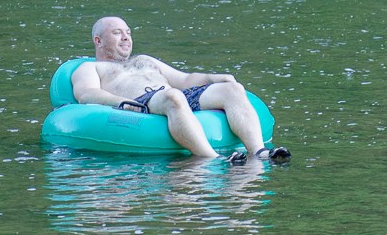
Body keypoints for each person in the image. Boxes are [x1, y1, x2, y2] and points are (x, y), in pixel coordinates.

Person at [71, 15, 290, 164]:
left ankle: (259, 152)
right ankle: (214, 159)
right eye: (117, 33)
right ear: (98, 40)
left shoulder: (145, 60)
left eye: (128, 32)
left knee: (232, 89)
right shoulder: (90, 67)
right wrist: (121, 103)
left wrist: (216, 78)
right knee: (172, 95)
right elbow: (86, 94)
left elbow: (185, 79)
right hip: (142, 101)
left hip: (176, 95)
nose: (126, 37)